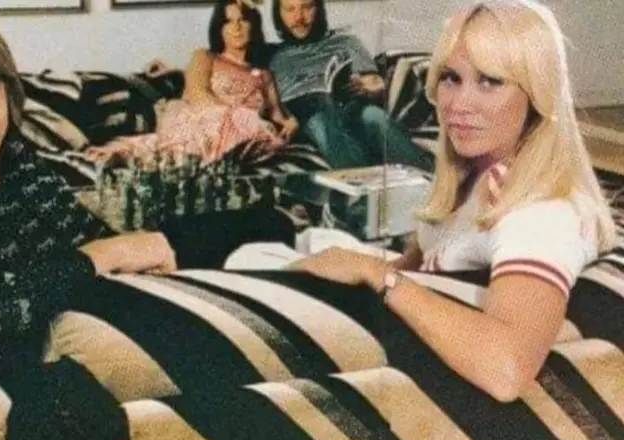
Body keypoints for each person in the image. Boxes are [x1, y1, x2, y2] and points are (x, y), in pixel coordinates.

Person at [0, 4, 295, 381]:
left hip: (145, 292)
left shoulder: (23, 170)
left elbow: (94, 239)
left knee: (270, 222)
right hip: (107, 348)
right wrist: (108, 254)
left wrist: (135, 250)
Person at [288, 0, 617, 402]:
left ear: (538, 94)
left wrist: (374, 273)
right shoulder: (476, 174)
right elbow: (414, 265)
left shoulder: (543, 212)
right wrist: (358, 265)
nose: (458, 105)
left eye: (489, 82)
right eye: (450, 78)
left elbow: (506, 368)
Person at [88, 0, 298, 164]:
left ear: (254, 26)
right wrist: (234, 117)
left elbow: (277, 115)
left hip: (247, 133)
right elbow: (198, 94)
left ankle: (215, 159)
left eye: (242, 20)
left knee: (263, 134)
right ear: (219, 28)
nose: (236, 28)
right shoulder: (205, 57)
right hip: (207, 122)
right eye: (228, 22)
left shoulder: (264, 75)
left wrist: (291, 122)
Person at [268, 0, 432, 170]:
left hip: (349, 108)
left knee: (374, 116)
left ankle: (432, 175)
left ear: (318, 9)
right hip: (307, 118)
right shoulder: (275, 57)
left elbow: (376, 83)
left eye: (307, 7)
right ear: (278, 14)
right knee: (321, 123)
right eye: (289, 9)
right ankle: (362, 182)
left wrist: (368, 87)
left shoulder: (346, 42)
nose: (299, 17)